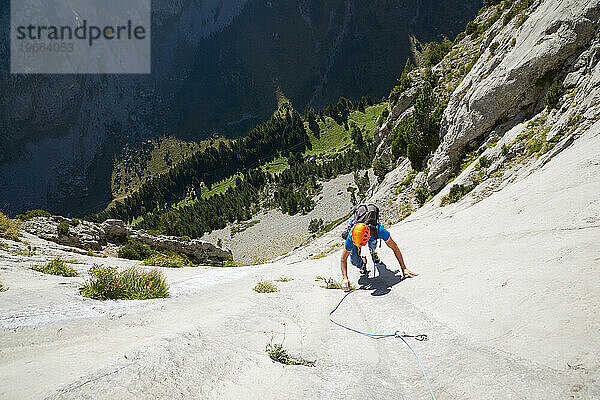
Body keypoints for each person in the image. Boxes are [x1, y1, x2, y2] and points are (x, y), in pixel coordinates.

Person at [340, 220, 417, 292]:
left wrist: (404, 268)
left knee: (372, 245)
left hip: (372, 234)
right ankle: (362, 264)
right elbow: (343, 258)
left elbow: (394, 247)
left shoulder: (379, 231)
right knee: (354, 260)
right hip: (359, 237)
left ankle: (372, 252)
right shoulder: (351, 236)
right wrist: (345, 278)